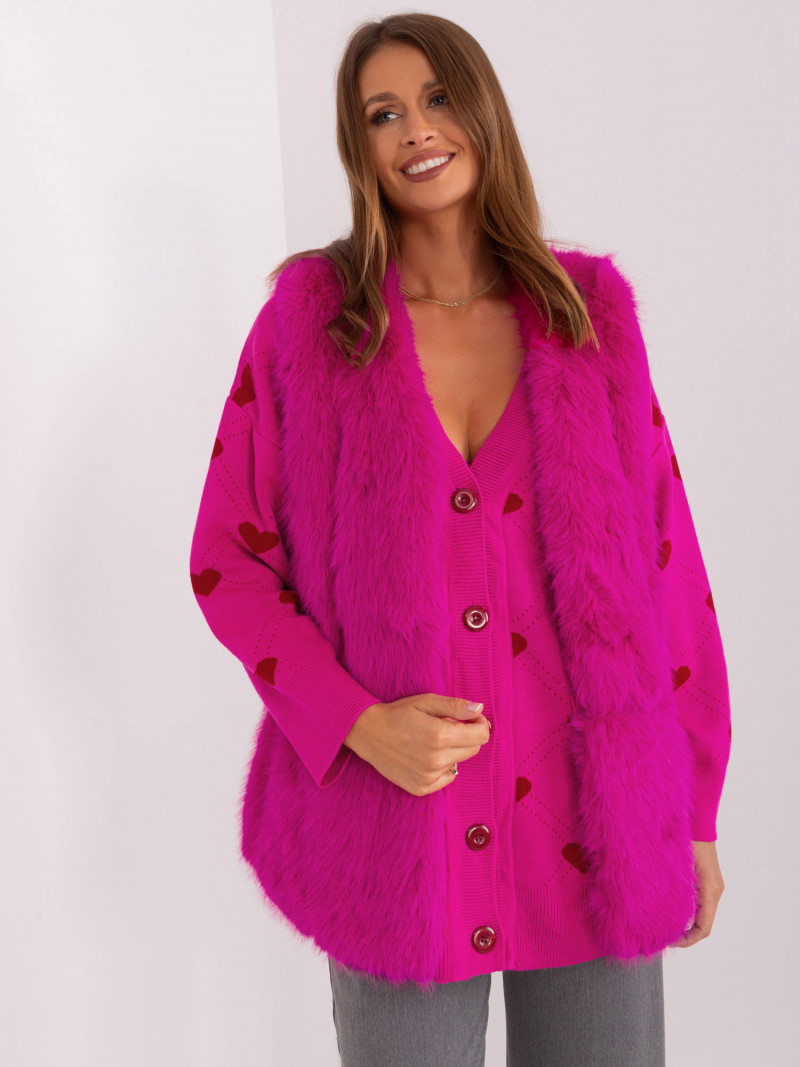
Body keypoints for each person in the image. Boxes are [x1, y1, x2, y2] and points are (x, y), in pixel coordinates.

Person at [189, 12, 731, 1067]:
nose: (415, 130)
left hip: (599, 830)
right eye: (381, 113)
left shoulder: (589, 316)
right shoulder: (310, 325)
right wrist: (356, 720)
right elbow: (228, 561)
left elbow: (671, 568)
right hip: (395, 834)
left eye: (436, 98)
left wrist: (694, 809)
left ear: (482, 111)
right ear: (358, 145)